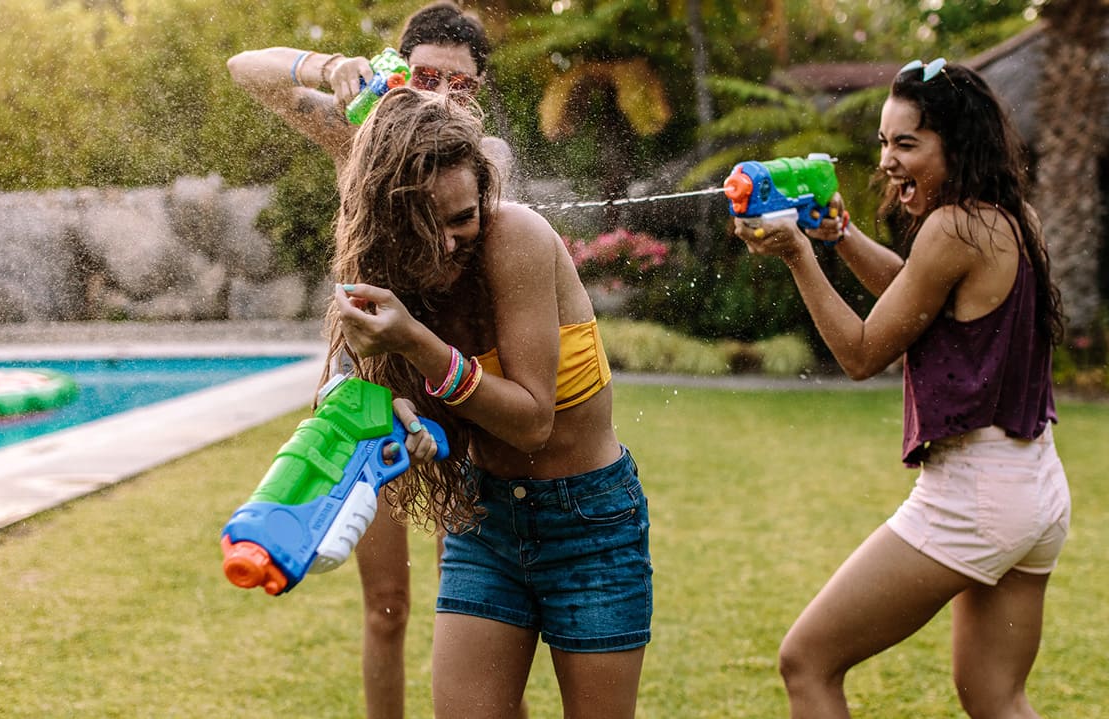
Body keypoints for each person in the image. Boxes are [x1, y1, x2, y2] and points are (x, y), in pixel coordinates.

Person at [731, 58, 1070, 719]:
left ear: (957, 142)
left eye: (907, 143)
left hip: (974, 493)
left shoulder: (951, 228)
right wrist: (843, 236)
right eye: (885, 142)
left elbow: (862, 352)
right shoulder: (1010, 217)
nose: (888, 160)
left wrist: (801, 256)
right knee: (996, 696)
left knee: (807, 663)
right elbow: (918, 297)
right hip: (1036, 490)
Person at [324, 87, 651, 719]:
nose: (450, 243)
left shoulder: (515, 238)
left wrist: (416, 344)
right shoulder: (395, 282)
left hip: (589, 524)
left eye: (462, 217)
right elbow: (450, 416)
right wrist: (416, 429)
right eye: (428, 226)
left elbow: (531, 420)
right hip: (485, 523)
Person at [226, 4, 511, 718]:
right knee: (385, 608)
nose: (442, 96)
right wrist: (329, 68)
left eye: (462, 85)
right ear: (396, 73)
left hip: (454, 389)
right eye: (425, 77)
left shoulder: (489, 159)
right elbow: (242, 69)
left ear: (480, 93)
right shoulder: (354, 135)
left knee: (471, 605)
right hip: (366, 393)